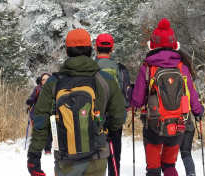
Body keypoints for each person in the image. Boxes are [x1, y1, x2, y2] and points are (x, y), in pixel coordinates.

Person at [27, 29, 126, 176]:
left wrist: (34, 156)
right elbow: (119, 116)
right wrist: (107, 131)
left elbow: (41, 121)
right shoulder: (105, 79)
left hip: (65, 159)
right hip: (97, 156)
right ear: (91, 50)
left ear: (67, 52)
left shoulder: (53, 82)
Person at [128, 19, 204, 176]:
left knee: (153, 169)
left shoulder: (148, 67)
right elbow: (191, 94)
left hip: (154, 126)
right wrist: (198, 111)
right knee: (169, 166)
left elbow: (137, 101)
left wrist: (130, 92)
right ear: (174, 45)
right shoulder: (181, 67)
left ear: (152, 45)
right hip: (178, 124)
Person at [94, 33, 132, 176]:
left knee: (94, 156)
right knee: (114, 155)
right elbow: (126, 95)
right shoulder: (120, 68)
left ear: (95, 48)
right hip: (115, 118)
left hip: (94, 118)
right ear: (112, 48)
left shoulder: (89, 68)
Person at [178, 53, 200, 176]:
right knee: (186, 153)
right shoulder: (186, 74)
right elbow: (193, 98)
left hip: (166, 121)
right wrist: (199, 112)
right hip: (186, 119)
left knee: (167, 158)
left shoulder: (161, 72)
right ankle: (190, 173)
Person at [26, 73, 52, 155]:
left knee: (49, 131)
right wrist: (30, 103)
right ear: (41, 81)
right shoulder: (37, 88)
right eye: (43, 79)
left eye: (47, 79)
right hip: (38, 112)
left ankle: (47, 149)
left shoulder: (54, 88)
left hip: (50, 112)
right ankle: (37, 149)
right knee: (38, 131)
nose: (45, 81)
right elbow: (32, 98)